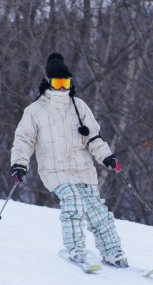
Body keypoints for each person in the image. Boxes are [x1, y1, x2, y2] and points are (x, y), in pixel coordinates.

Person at [10, 52, 128, 268]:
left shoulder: (79, 106)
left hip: (82, 168)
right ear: (48, 82)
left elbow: (93, 137)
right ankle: (75, 249)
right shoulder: (35, 110)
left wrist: (107, 157)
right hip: (54, 170)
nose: (62, 87)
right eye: (57, 82)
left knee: (97, 211)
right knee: (73, 201)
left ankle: (113, 252)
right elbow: (23, 140)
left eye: (66, 82)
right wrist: (19, 164)